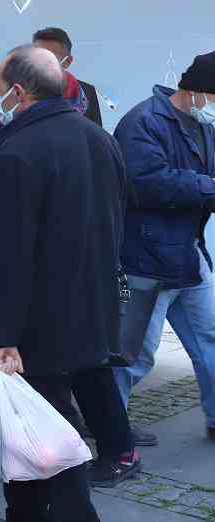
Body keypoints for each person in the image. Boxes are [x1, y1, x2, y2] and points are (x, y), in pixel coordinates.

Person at [0, 45, 127, 522]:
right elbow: (117, 225)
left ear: (18, 91)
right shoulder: (100, 140)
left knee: (51, 429)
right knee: (24, 425)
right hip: (88, 307)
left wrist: (2, 337)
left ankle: (77, 516)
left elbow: (4, 256)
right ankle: (24, 514)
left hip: (38, 323)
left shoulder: (17, 153)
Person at [113, 51, 215, 444]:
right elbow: (147, 183)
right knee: (133, 354)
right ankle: (112, 429)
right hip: (144, 260)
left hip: (189, 255)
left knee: (209, 341)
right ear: (195, 92)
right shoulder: (144, 122)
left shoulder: (202, 123)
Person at [0, 27, 102, 154]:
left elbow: (97, 146)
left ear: (67, 62)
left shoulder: (86, 93)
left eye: (49, 58)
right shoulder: (14, 93)